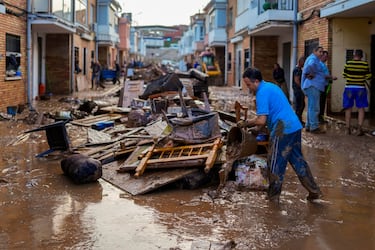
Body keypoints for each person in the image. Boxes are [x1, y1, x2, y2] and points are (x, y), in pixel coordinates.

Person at [239, 67, 322, 203]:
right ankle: (314, 191)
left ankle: (273, 198)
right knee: (298, 160)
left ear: (256, 81)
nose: (248, 88)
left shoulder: (261, 93)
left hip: (282, 129)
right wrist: (256, 130)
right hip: (294, 126)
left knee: (275, 163)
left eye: (248, 85)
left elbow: (261, 120)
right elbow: (265, 119)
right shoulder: (270, 86)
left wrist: (246, 123)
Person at [342, 49, 372, 136]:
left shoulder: (348, 63)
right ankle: (359, 129)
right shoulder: (365, 64)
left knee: (348, 108)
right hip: (360, 88)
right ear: (361, 56)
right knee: (361, 108)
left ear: (354, 55)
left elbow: (344, 75)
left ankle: (347, 129)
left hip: (349, 88)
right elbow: (368, 76)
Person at [302, 45, 326, 133]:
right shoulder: (313, 59)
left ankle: (309, 125)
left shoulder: (313, 59)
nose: (321, 53)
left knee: (311, 107)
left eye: (322, 52)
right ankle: (314, 127)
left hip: (312, 86)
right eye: (320, 52)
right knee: (315, 107)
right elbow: (309, 66)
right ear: (314, 52)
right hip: (313, 86)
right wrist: (311, 72)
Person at [319, 51, 337, 123]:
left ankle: (321, 117)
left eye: (327, 57)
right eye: (325, 56)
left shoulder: (323, 64)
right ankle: (319, 118)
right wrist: (331, 77)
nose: (326, 58)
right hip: (321, 86)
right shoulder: (320, 64)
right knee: (321, 102)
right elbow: (322, 75)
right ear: (322, 56)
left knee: (323, 102)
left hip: (325, 85)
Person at [292, 56, 305, 124]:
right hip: (298, 90)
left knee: (301, 105)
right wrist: (302, 87)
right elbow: (296, 80)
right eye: (304, 62)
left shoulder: (299, 69)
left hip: (298, 89)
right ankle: (298, 121)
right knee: (300, 105)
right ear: (301, 62)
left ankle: (299, 120)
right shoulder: (297, 70)